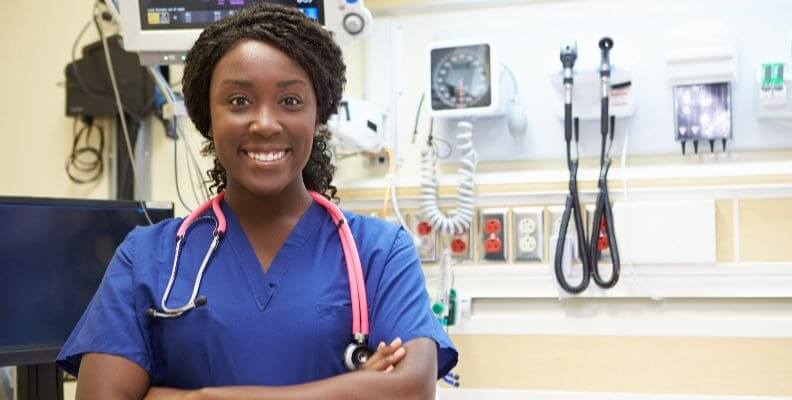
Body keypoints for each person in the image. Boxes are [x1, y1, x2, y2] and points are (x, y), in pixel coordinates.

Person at [56, 3, 457, 399]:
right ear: (206, 119)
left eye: (291, 101)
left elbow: (410, 390)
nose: (265, 123)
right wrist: (358, 388)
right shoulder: (146, 258)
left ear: (319, 115)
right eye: (239, 102)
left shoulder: (380, 252)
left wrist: (194, 397)